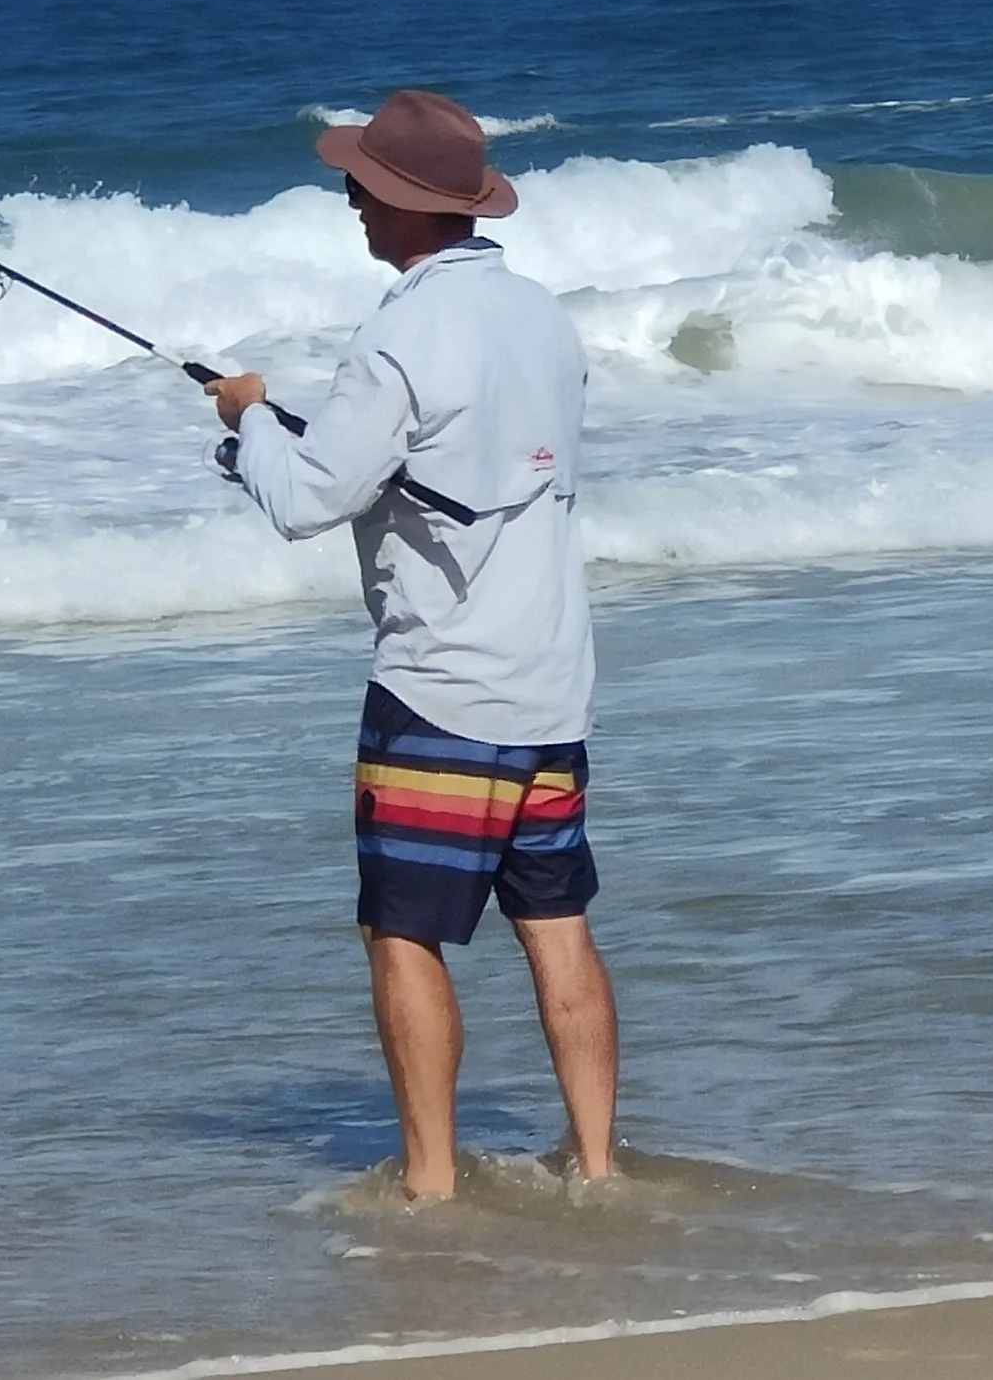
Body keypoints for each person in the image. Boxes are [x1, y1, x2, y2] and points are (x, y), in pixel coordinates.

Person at [205, 89, 618, 1201]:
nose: (349, 199)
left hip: (440, 689)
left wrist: (245, 420)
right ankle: (599, 1165)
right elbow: (467, 466)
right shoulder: (542, 315)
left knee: (401, 934)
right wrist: (290, 439)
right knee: (559, 929)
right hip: (552, 683)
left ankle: (430, 1186)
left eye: (361, 185)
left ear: (400, 202)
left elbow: (304, 505)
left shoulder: (395, 336)